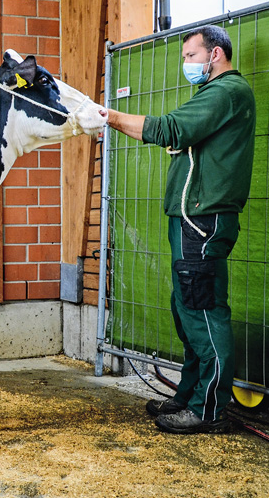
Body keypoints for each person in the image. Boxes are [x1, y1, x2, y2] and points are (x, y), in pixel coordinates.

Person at [107, 25, 256, 434]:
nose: (186, 64)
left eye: (191, 56)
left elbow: (171, 129)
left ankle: (207, 409)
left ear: (216, 55)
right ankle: (190, 393)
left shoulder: (226, 92)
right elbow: (184, 138)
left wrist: (109, 116)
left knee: (203, 309)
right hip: (191, 216)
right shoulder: (211, 96)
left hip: (202, 219)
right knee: (187, 308)